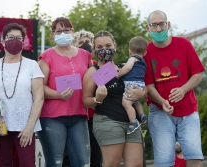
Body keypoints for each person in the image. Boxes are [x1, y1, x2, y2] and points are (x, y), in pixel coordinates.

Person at [0, 23, 44, 167]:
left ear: (23, 42)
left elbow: (39, 97)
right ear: (2, 41)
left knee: (27, 164)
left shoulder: (32, 65)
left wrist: (30, 126)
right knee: (3, 163)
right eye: (10, 37)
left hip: (25, 124)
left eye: (19, 38)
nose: (14, 41)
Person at [144, 10, 204, 167]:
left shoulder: (184, 44)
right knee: (164, 162)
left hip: (188, 110)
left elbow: (197, 74)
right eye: (154, 25)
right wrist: (162, 101)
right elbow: (149, 85)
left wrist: (183, 89)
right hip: (160, 111)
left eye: (162, 24)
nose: (158, 29)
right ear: (147, 28)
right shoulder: (146, 52)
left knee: (195, 157)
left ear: (168, 24)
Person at [82, 30, 147, 167]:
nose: (104, 50)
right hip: (108, 121)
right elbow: (85, 100)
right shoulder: (93, 71)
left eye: (108, 46)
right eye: (99, 47)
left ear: (115, 46)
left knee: (136, 164)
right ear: (94, 50)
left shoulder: (125, 67)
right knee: (112, 164)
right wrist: (97, 99)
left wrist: (141, 93)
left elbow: (144, 86)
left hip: (132, 123)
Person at [37, 17, 91, 167]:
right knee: (55, 163)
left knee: (83, 163)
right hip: (51, 117)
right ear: (52, 35)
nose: (63, 33)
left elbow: (93, 79)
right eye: (58, 31)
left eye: (66, 30)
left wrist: (113, 71)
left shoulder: (85, 55)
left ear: (73, 32)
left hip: (78, 116)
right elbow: (38, 87)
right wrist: (58, 95)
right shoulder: (46, 56)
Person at [62, 29, 102, 167]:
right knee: (69, 156)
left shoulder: (99, 65)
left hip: (94, 117)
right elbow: (63, 87)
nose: (85, 44)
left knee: (95, 156)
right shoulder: (69, 65)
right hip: (73, 116)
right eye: (81, 42)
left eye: (88, 42)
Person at [117, 37, 148, 134]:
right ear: (145, 53)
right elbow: (133, 67)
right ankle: (142, 115)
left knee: (126, 103)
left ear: (130, 51)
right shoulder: (143, 62)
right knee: (136, 101)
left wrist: (118, 74)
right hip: (140, 84)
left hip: (131, 83)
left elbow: (127, 68)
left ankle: (133, 121)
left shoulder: (133, 58)